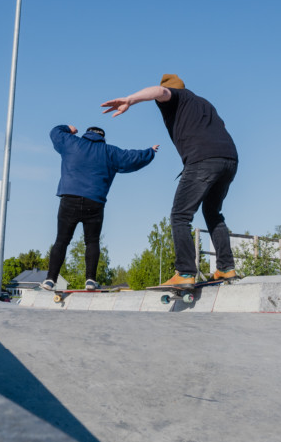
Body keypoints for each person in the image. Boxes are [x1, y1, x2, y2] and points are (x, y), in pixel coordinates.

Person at [102, 74, 238, 288]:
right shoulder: (203, 103)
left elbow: (160, 92)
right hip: (229, 159)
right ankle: (226, 268)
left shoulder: (175, 96)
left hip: (203, 159)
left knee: (180, 215)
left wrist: (130, 99)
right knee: (213, 213)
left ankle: (185, 273)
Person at [42, 125, 158, 291]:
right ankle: (90, 280)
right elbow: (132, 157)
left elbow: (54, 132)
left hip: (69, 199)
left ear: (86, 134)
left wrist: (68, 128)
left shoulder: (71, 143)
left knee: (61, 240)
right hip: (94, 202)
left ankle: (50, 280)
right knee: (92, 242)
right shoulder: (109, 152)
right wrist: (150, 152)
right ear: (103, 137)